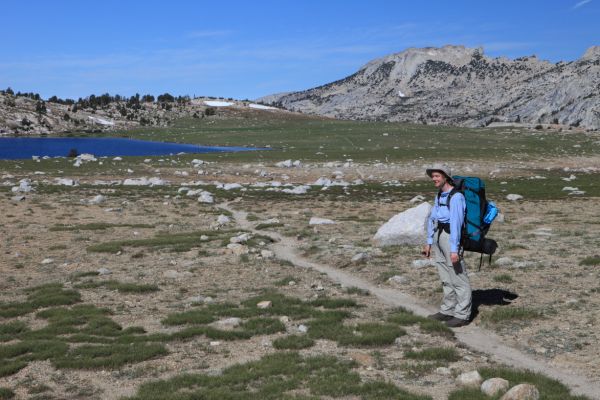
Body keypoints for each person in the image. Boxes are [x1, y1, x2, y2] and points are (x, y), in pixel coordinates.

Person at [422, 164, 471, 328]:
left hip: (450, 238)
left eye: (437, 176)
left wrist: (454, 249)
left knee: (458, 277)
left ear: (445, 177)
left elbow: (457, 224)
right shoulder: (439, 194)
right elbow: (432, 218)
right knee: (445, 276)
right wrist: (429, 242)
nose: (434, 179)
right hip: (438, 236)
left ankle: (462, 314)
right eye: (433, 176)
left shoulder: (456, 197)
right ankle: (447, 310)